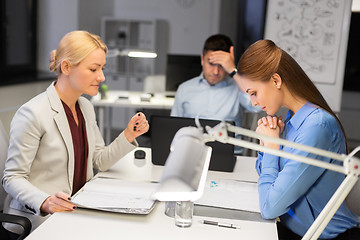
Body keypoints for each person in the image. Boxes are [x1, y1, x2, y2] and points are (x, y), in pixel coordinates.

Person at [2, 30, 149, 234]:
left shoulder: (85, 107)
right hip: (41, 218)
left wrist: (128, 135)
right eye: (93, 69)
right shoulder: (33, 113)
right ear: (66, 67)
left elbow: (99, 160)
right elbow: (12, 178)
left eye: (102, 68)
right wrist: (44, 201)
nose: (102, 76)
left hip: (78, 209)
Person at [233, 39, 360, 239]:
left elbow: (270, 207)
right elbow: (265, 175)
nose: (254, 103)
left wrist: (272, 148)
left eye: (254, 93)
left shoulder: (316, 127)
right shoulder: (292, 120)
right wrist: (268, 145)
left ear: (276, 80)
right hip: (292, 230)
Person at [171, 34, 260, 132]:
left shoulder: (239, 88)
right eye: (211, 64)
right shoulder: (184, 89)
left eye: (222, 65)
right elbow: (174, 127)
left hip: (229, 146)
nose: (216, 72)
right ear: (202, 60)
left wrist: (233, 70)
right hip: (193, 145)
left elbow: (257, 107)